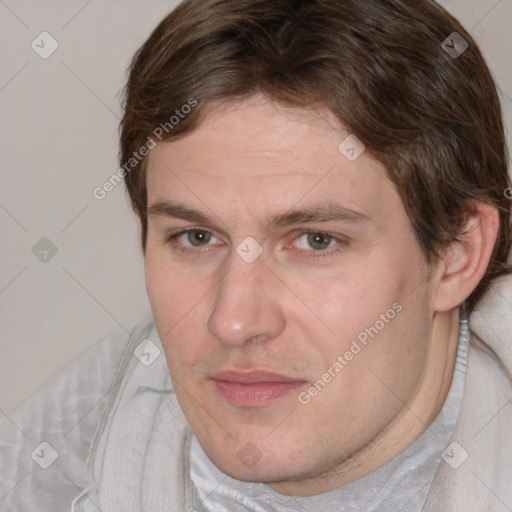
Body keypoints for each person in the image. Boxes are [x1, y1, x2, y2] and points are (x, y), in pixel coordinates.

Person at [1, 0, 511, 510]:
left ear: (457, 255)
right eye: (196, 237)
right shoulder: (89, 423)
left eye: (315, 241)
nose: (234, 322)